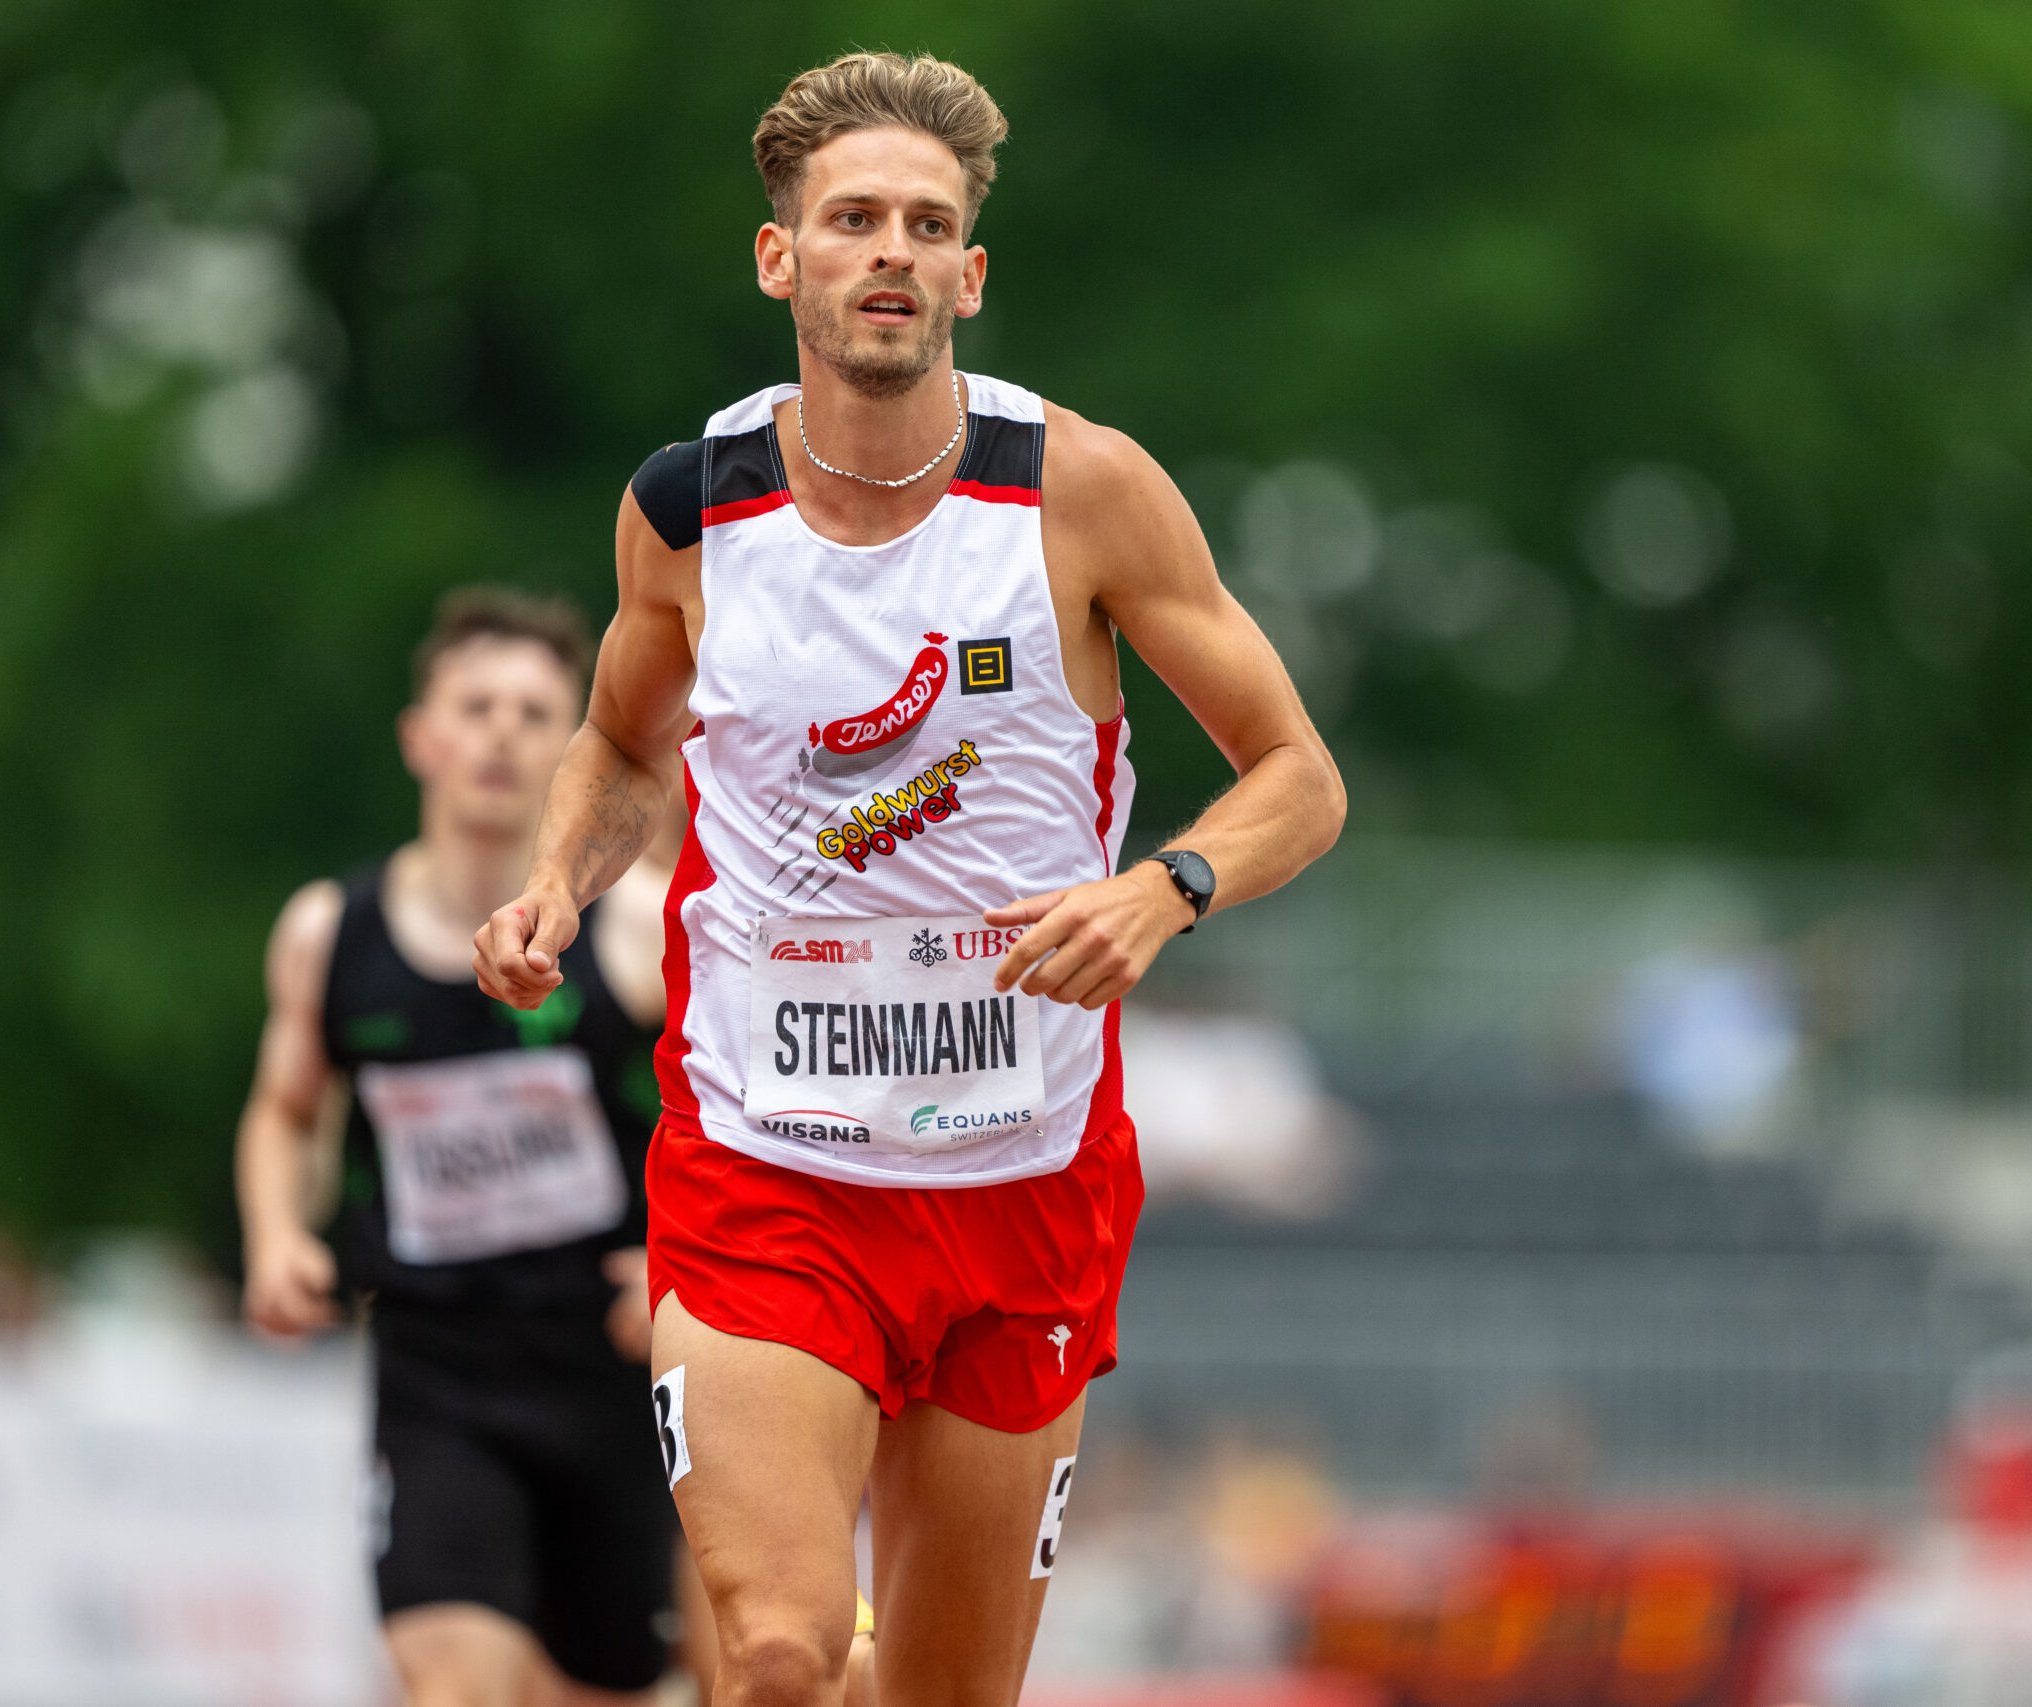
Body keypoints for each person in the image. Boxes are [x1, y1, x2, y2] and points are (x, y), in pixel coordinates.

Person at [473, 51, 1345, 1707]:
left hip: (1024, 1180)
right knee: (784, 1650)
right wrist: (551, 887)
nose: (891, 249)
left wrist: (1162, 887)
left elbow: (1302, 778)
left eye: (926, 225)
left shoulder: (1080, 491)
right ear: (778, 257)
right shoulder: (686, 512)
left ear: (971, 274)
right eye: (854, 218)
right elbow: (619, 743)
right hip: (767, 1171)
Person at [236, 587, 681, 1707]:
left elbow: (735, 1115)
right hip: (437, 1370)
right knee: (457, 1684)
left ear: (575, 749)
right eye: (475, 706)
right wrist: (277, 1233)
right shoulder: (328, 935)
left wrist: (683, 1263)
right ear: (420, 737)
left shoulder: (638, 931)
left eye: (536, 713)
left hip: (608, 1363)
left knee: (608, 1688)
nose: (500, 733)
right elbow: (286, 1109)